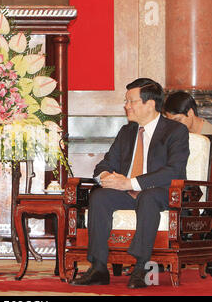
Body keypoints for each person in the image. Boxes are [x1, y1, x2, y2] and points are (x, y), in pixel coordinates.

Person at [71, 78, 189, 289]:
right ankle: (98, 267)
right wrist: (106, 177)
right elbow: (104, 164)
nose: (126, 106)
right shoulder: (127, 133)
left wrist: (131, 183)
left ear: (150, 104)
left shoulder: (175, 131)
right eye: (126, 101)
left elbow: (174, 171)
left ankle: (141, 267)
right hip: (127, 194)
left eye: (131, 101)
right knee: (99, 197)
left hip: (162, 193)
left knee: (148, 197)